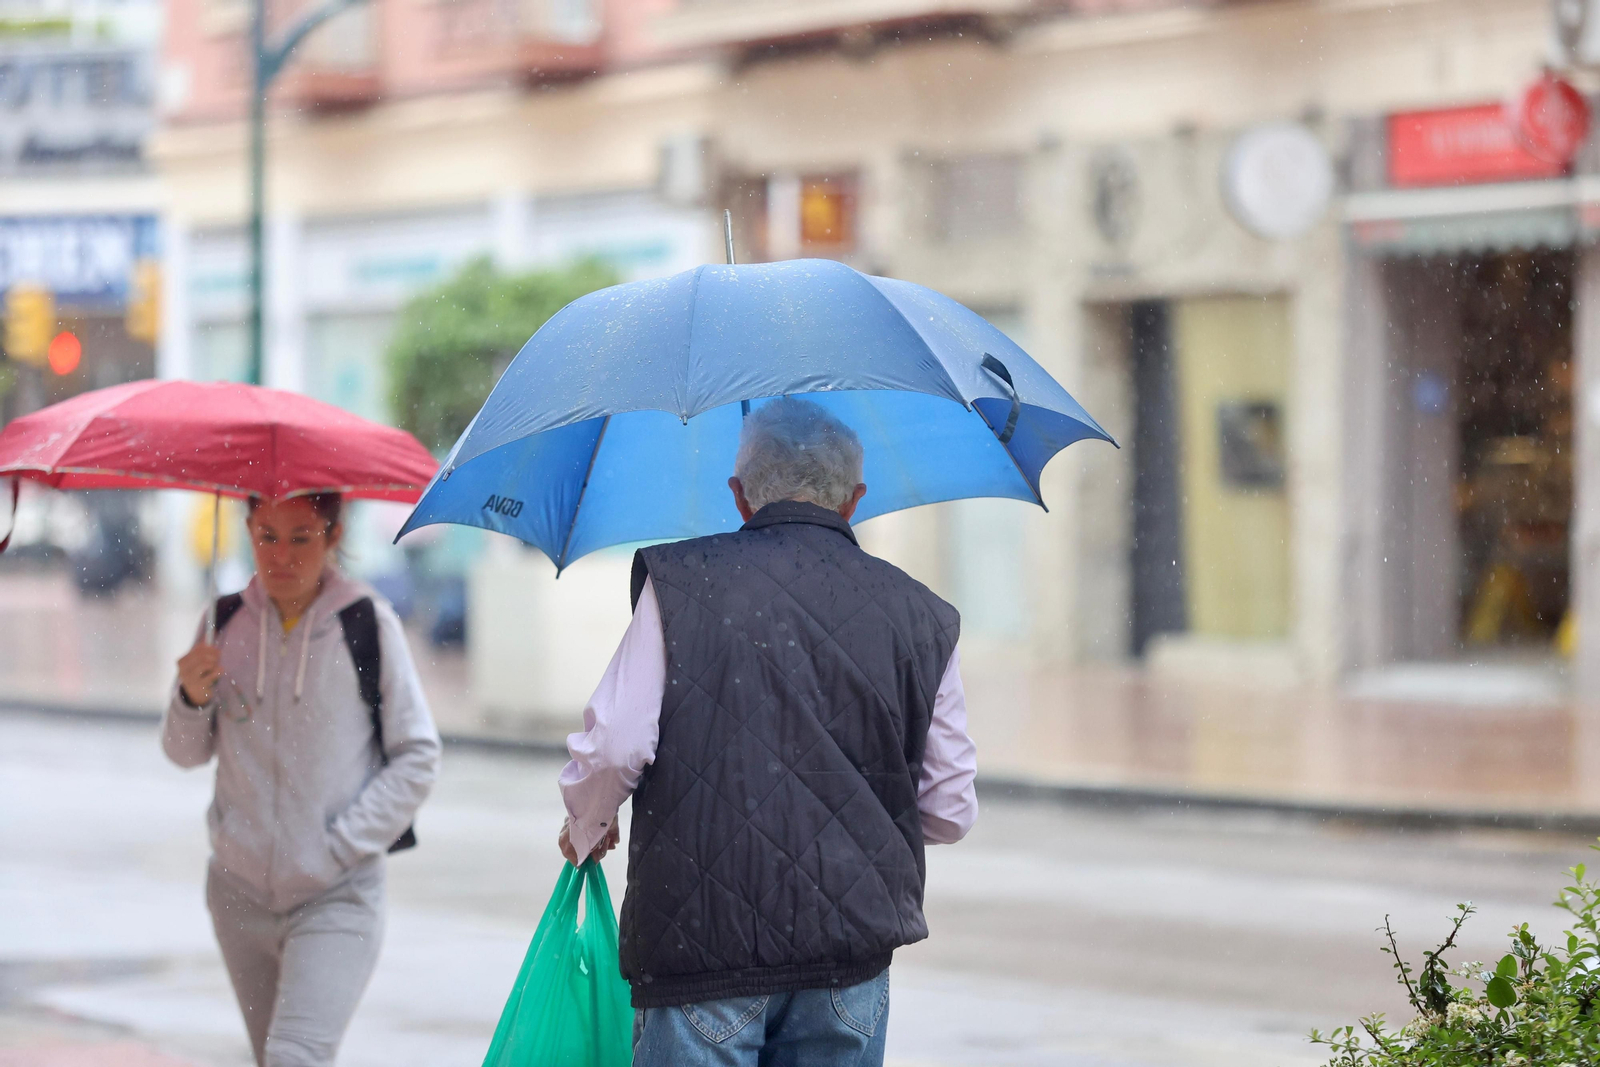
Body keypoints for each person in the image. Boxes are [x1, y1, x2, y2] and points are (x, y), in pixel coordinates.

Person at [559, 397, 978, 1066]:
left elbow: (614, 746)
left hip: (700, 956)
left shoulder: (679, 582)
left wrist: (588, 821)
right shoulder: (921, 613)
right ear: (856, 498)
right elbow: (949, 809)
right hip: (849, 961)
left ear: (738, 494)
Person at [162, 493, 442, 1067]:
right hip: (237, 895)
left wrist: (338, 846)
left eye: (301, 536)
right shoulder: (224, 622)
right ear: (246, 530)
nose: (280, 555)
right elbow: (184, 753)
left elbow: (417, 755)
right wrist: (191, 697)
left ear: (333, 536)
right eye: (266, 535)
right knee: (272, 1058)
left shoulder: (365, 623)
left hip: (335, 896)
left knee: (295, 1057)